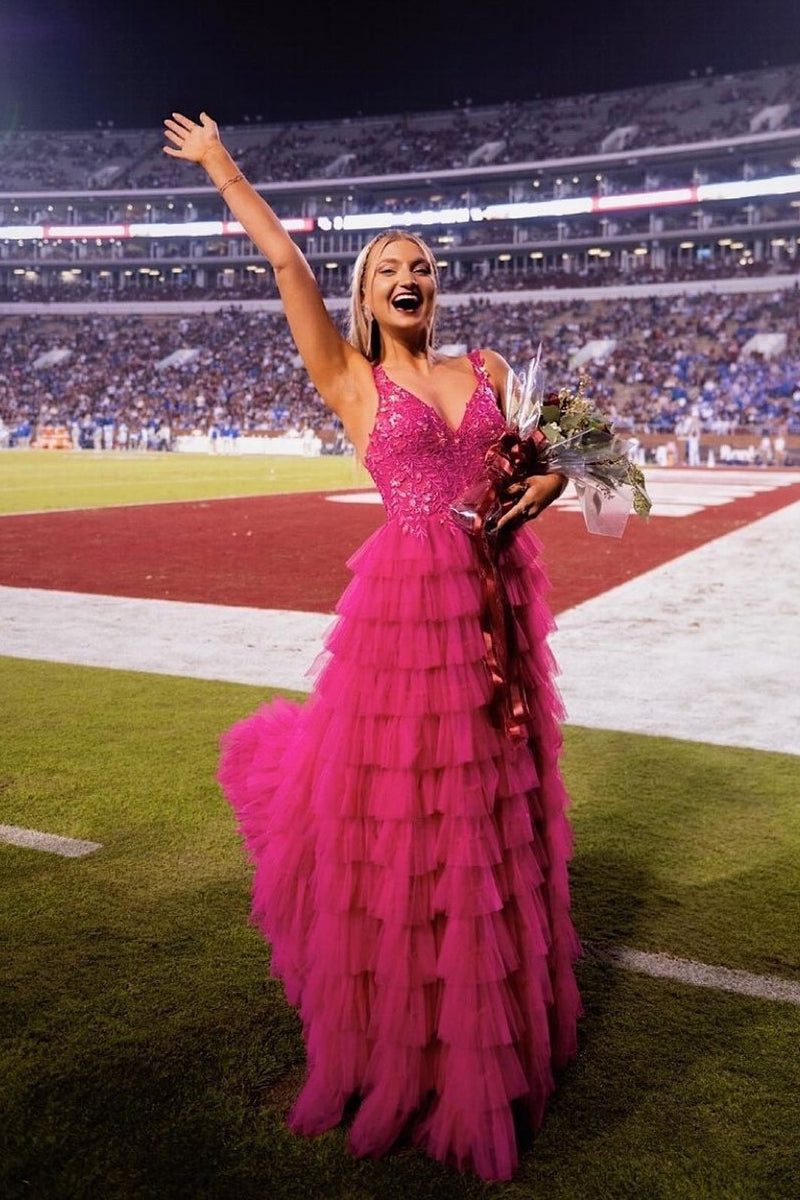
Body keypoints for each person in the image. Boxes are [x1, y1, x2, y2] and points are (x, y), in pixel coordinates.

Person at [163, 111, 581, 1182]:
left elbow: (550, 460)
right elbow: (284, 258)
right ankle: (412, 1047)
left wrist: (547, 481)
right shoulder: (349, 377)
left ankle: (482, 1025)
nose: (410, 273)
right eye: (391, 265)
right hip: (405, 616)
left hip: (494, 602)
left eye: (424, 264)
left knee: (488, 812)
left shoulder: (484, 366)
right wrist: (222, 167)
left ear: (437, 288)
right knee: (411, 819)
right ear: (366, 294)